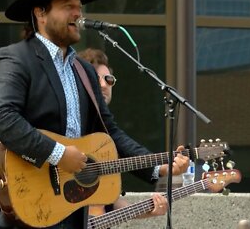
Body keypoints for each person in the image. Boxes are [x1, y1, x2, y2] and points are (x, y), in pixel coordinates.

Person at [0, 0, 189, 228]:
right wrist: (58, 153)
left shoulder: (83, 71)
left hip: (73, 207)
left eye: (79, 7)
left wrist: (158, 167)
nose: (78, 14)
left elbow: (110, 133)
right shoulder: (16, 58)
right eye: (68, 7)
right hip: (28, 204)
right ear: (40, 13)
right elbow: (0, 118)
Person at [78, 48, 189, 217]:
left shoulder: (103, 136)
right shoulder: (67, 123)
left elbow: (109, 206)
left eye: (109, 79)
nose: (103, 85)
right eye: (95, 78)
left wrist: (162, 168)